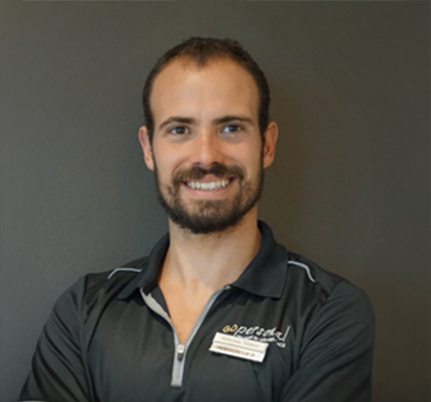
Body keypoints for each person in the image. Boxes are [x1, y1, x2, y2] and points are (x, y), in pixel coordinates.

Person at [19, 37, 375, 402]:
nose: (206, 156)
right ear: (149, 149)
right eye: (179, 130)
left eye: (231, 128)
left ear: (267, 145)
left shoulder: (326, 310)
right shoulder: (84, 310)